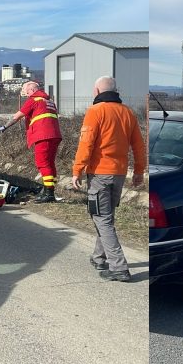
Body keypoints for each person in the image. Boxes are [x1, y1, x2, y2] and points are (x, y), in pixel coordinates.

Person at [72, 76, 146, 282]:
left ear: (96, 91)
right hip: (119, 173)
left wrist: (77, 169)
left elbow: (86, 144)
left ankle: (119, 267)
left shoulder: (95, 112)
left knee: (102, 219)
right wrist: (139, 171)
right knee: (106, 216)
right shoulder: (128, 113)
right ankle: (99, 257)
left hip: (99, 174)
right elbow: (139, 146)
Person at [0, 80, 63, 203]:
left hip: (42, 135)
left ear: (32, 90)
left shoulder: (34, 100)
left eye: (26, 92)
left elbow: (17, 116)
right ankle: (49, 190)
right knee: (50, 163)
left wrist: (5, 127)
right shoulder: (49, 102)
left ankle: (49, 194)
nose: (26, 94)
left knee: (42, 163)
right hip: (55, 135)